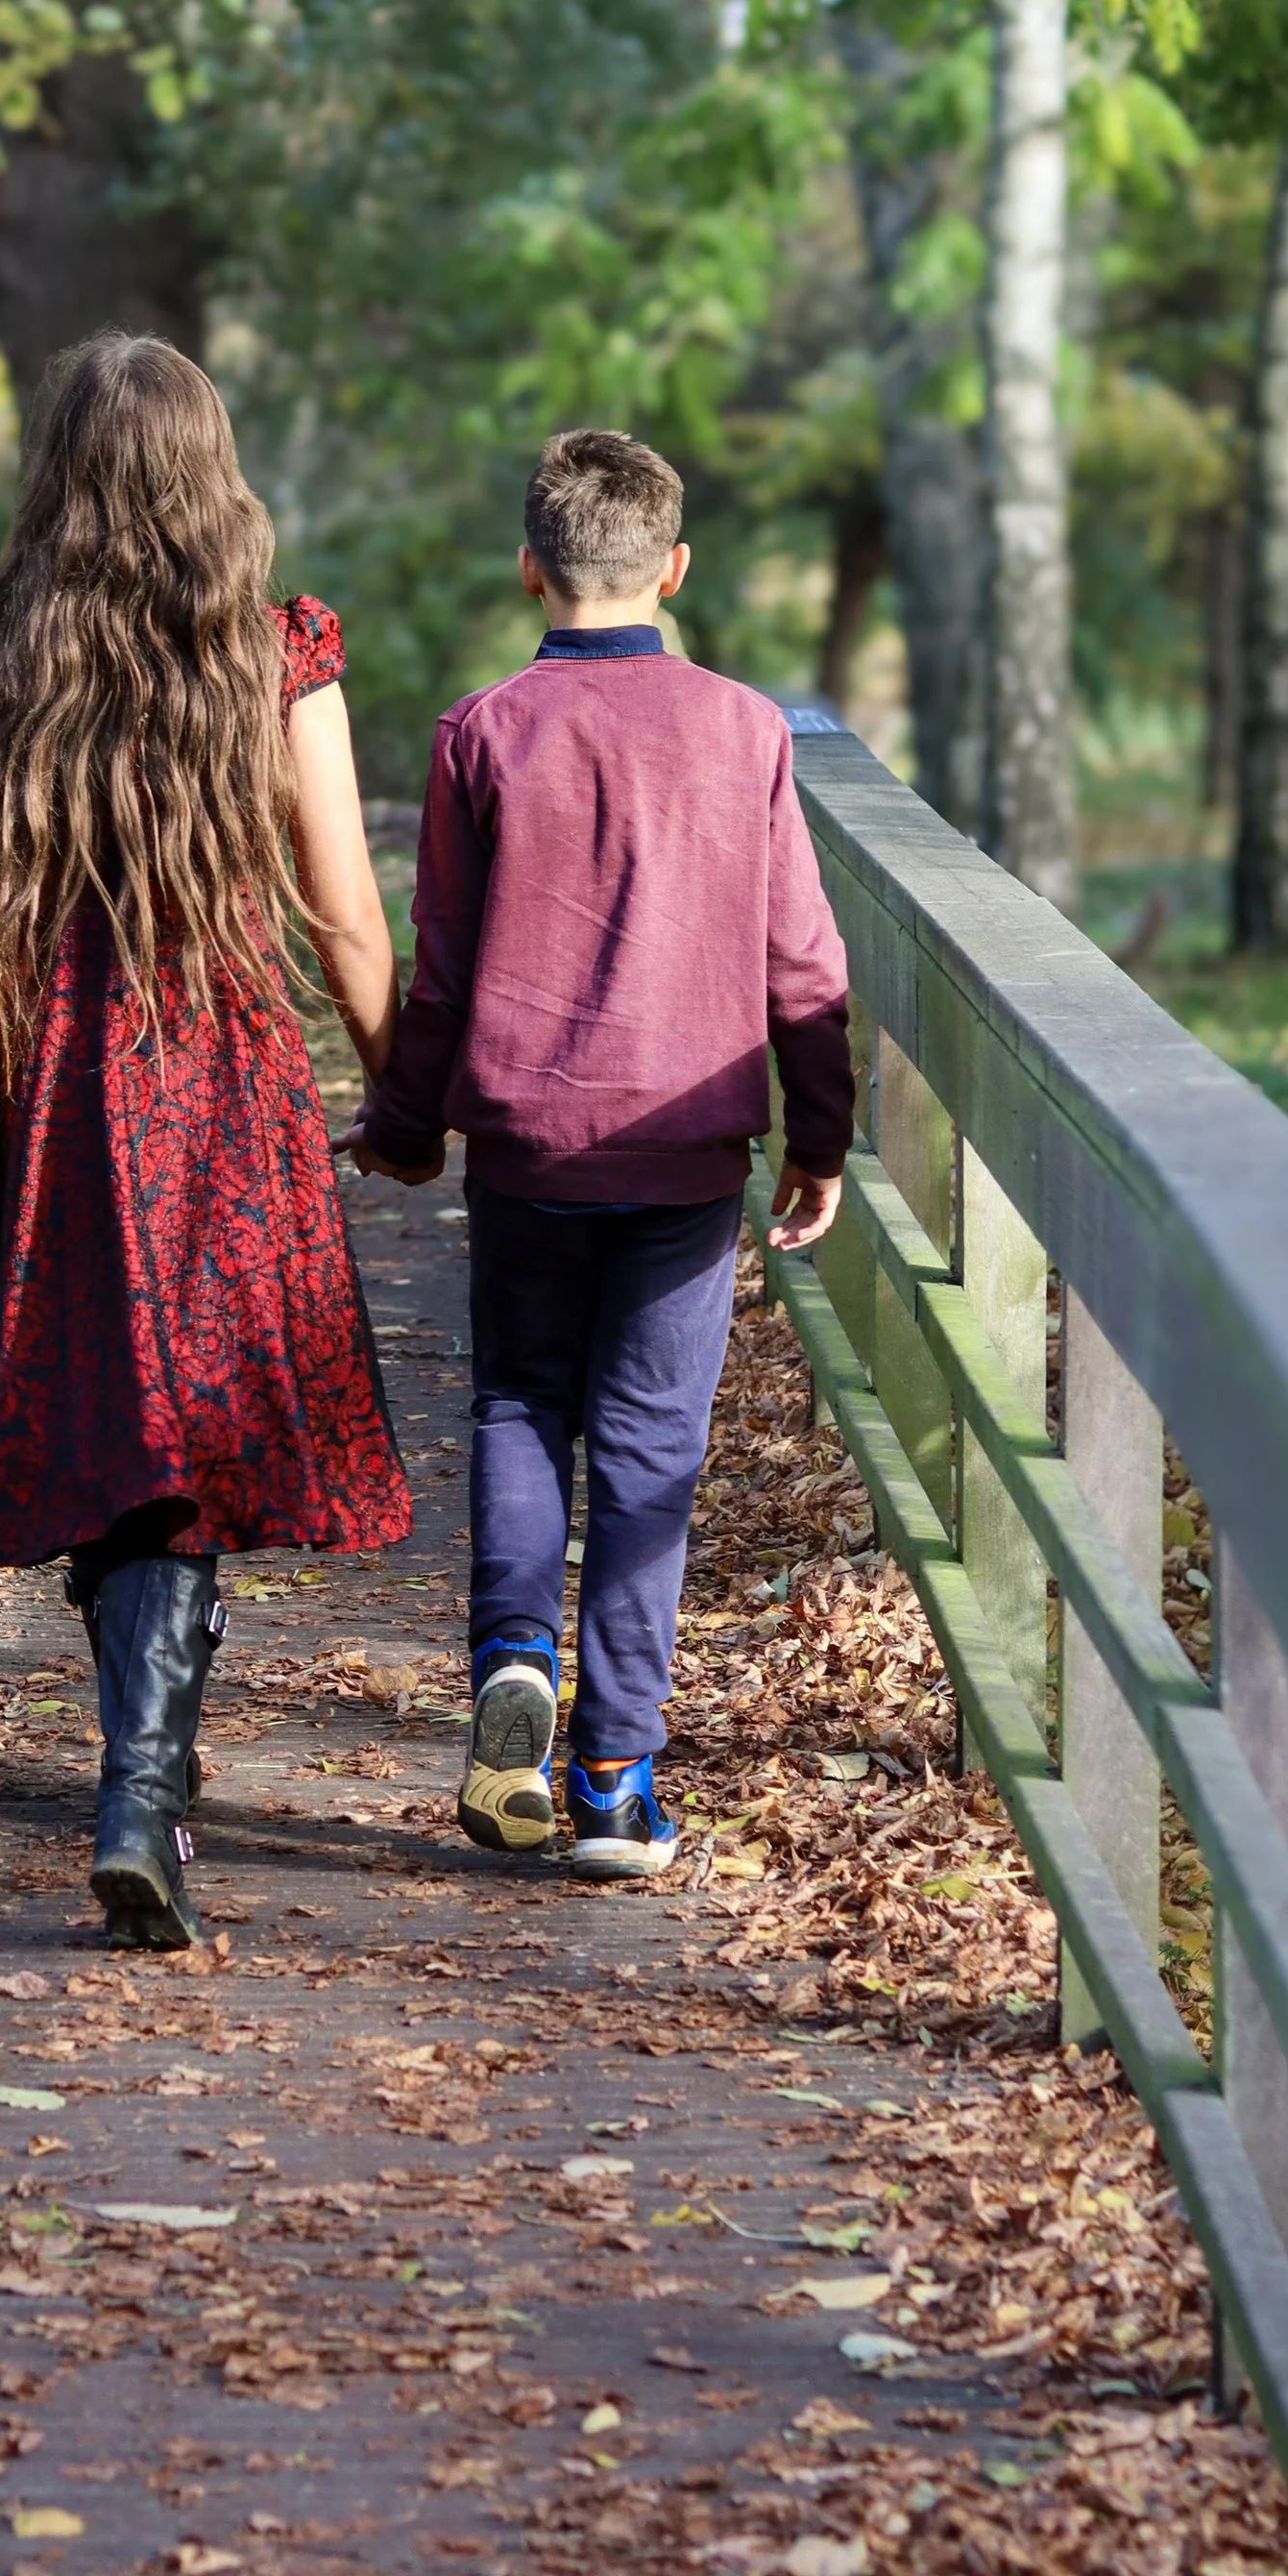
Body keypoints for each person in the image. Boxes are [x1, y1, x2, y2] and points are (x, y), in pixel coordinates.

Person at [0, 333, 411, 1951]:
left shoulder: (8, 651)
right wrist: (402, 1094)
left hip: (51, 1093)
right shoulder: (273, 650)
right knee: (177, 1442)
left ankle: (140, 1787)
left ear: (60, 469)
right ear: (212, 468)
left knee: (119, 1435)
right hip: (223, 1084)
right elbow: (343, 908)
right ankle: (140, 1790)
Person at [352, 427, 855, 1880]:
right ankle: (616, 1781)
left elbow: (440, 969)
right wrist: (818, 1135)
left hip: (525, 1138)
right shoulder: (747, 728)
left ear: (530, 567)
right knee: (651, 1451)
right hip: (688, 1148)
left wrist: (402, 1128)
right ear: (674, 569)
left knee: (519, 1399)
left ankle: (515, 1651)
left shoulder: (480, 730)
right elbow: (802, 963)